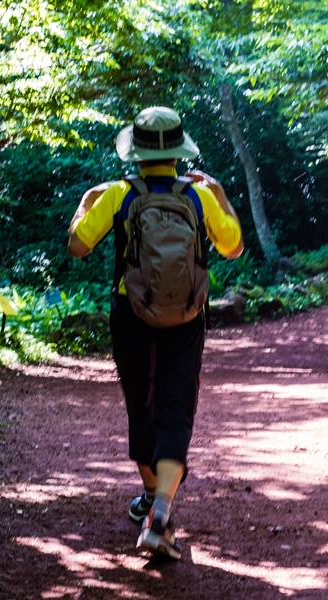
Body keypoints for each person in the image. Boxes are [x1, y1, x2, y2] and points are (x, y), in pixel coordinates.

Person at [67, 106, 243, 559]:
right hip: (186, 315)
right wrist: (219, 194)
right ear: (179, 152)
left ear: (137, 152)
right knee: (176, 406)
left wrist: (87, 200)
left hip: (132, 312)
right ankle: (160, 507)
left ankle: (151, 500)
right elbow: (235, 248)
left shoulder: (119, 194)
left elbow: (78, 246)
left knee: (141, 405)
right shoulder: (199, 196)